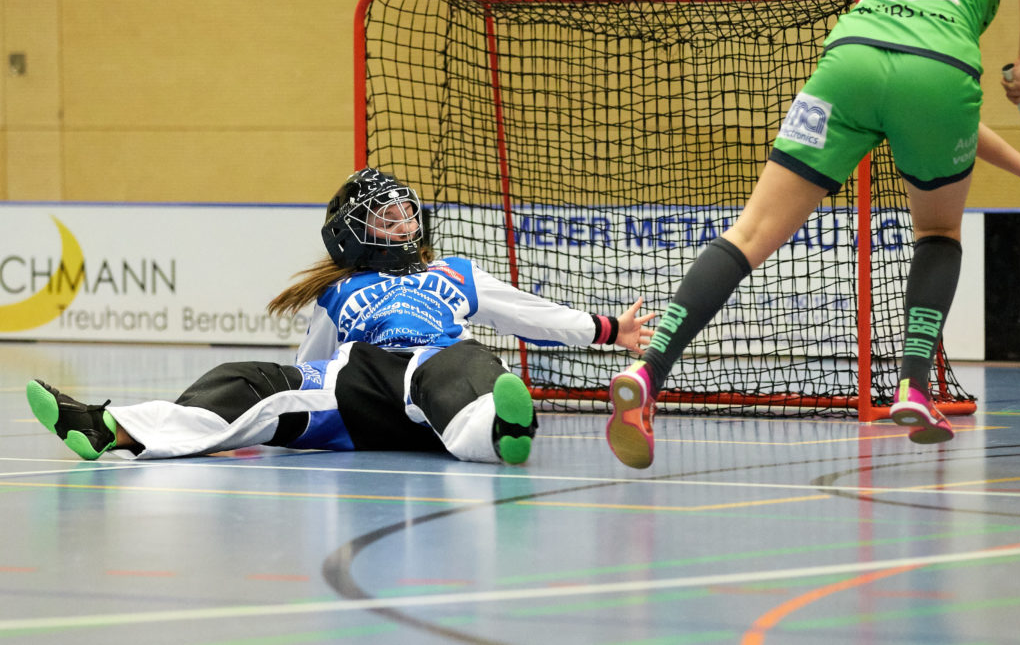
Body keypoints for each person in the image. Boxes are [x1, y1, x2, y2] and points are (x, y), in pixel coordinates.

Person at [606, 0, 1020, 469]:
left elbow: (907, 85)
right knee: (936, 230)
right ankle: (913, 385)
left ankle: (649, 368)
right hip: (939, 78)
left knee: (751, 231)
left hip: (847, 64)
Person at [27, 167, 655, 466]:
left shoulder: (455, 274)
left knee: (467, 364)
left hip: (432, 378)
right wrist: (260, 418)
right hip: (354, 391)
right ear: (350, 235)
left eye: (406, 213)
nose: (401, 224)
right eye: (384, 217)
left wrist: (606, 329)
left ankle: (496, 431)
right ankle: (114, 428)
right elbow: (311, 365)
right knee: (252, 379)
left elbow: (528, 314)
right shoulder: (340, 290)